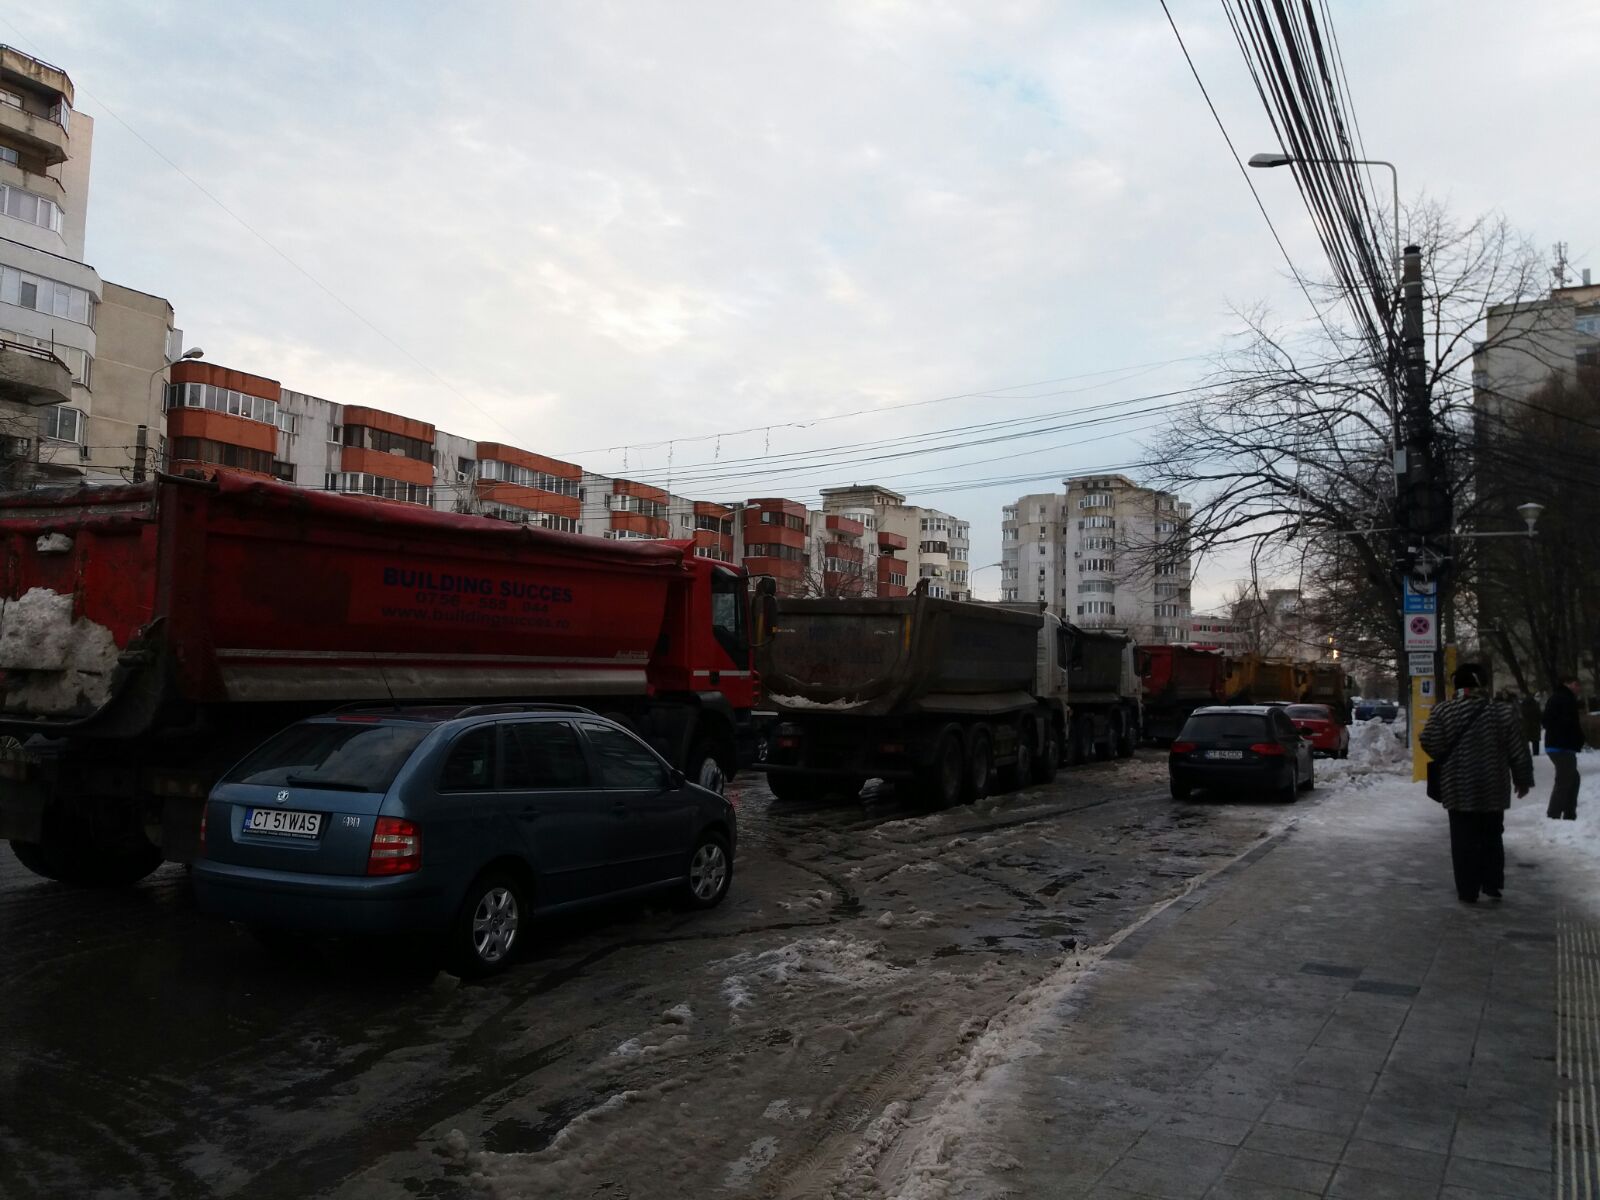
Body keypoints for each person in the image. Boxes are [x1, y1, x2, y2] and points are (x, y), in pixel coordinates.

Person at [1421, 664, 1533, 904]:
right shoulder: (1502, 712)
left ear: (1457, 685)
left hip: (1458, 785)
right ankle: (1492, 884)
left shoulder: (1444, 711)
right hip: (1493, 784)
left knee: (1462, 839)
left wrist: (1449, 756)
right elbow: (1518, 749)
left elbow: (1429, 741)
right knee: (1492, 835)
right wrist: (1522, 779)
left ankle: (1467, 889)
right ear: (1482, 684)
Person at [1543, 675, 1586, 820]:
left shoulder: (1561, 697)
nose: (1578, 688)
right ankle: (1554, 814)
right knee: (1565, 779)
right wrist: (1573, 737)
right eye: (1576, 684)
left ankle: (1569, 813)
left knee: (1573, 778)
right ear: (1568, 684)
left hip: (1559, 745)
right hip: (1561, 746)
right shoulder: (1564, 699)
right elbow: (1568, 723)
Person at [1520, 691, 1543, 759]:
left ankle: (1526, 754)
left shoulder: (1522, 705)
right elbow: (1539, 715)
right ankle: (1536, 754)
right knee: (1535, 741)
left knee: (1525, 741)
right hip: (1535, 726)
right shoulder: (1536, 704)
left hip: (1525, 726)